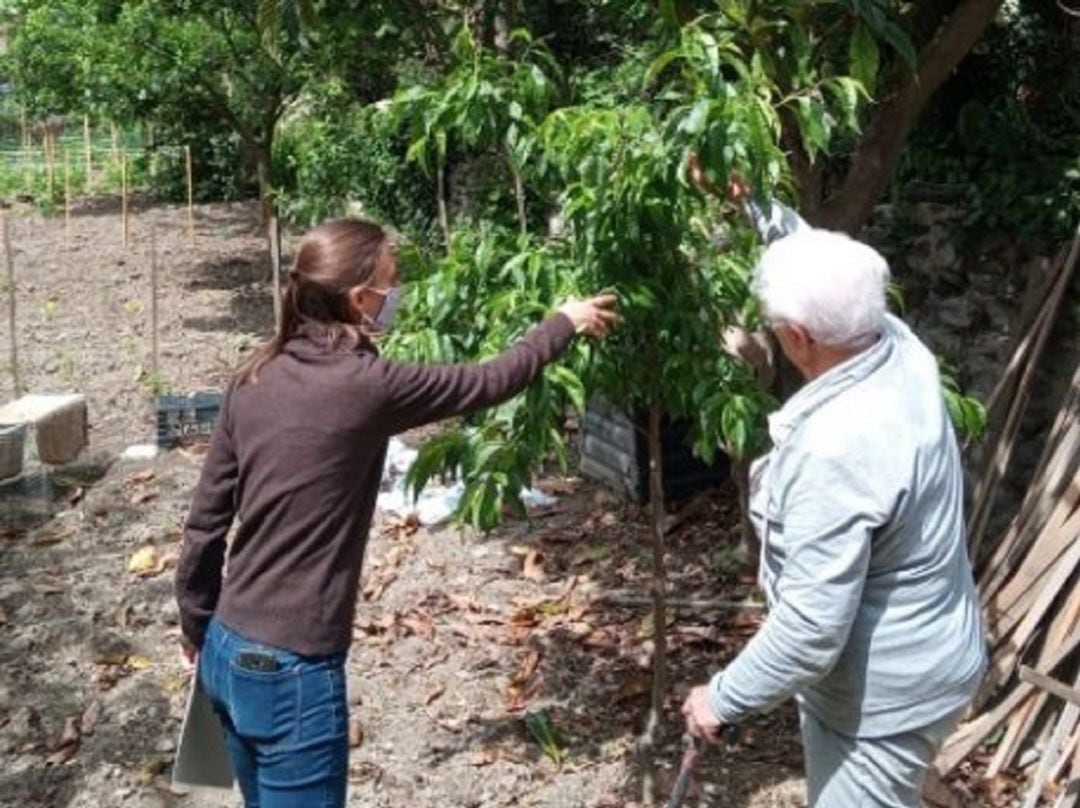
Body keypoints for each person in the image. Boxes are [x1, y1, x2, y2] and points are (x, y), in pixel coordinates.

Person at [174, 217, 617, 807]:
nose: (398, 293)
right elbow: (488, 381)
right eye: (391, 280)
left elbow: (205, 523)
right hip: (295, 669)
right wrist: (563, 322)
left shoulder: (254, 376)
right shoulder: (366, 385)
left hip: (227, 648)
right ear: (359, 299)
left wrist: (195, 626)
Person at [680, 162, 987, 807]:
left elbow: (811, 632)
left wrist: (722, 698)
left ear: (797, 338)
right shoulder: (899, 345)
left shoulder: (836, 450)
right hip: (936, 654)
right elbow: (819, 266)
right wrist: (755, 205)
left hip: (887, 698)